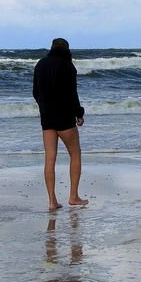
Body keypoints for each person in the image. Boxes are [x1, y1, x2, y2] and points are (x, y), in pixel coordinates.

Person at [33, 38, 88, 211]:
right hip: (64, 117)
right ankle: (73, 196)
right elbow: (72, 94)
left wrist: (44, 107)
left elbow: (35, 92)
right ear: (67, 50)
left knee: (50, 158)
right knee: (75, 154)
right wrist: (79, 113)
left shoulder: (40, 64)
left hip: (47, 118)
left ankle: (52, 201)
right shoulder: (67, 66)